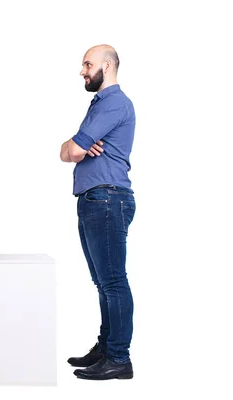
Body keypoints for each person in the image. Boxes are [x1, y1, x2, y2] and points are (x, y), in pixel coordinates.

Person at [60, 45, 137, 380]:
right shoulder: (99, 105)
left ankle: (119, 358)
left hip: (107, 199)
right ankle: (106, 348)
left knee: (113, 281)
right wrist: (74, 147)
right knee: (103, 282)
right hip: (96, 199)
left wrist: (76, 146)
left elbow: (73, 150)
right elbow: (67, 151)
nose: (82, 71)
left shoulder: (115, 103)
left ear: (108, 65)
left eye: (87, 64)